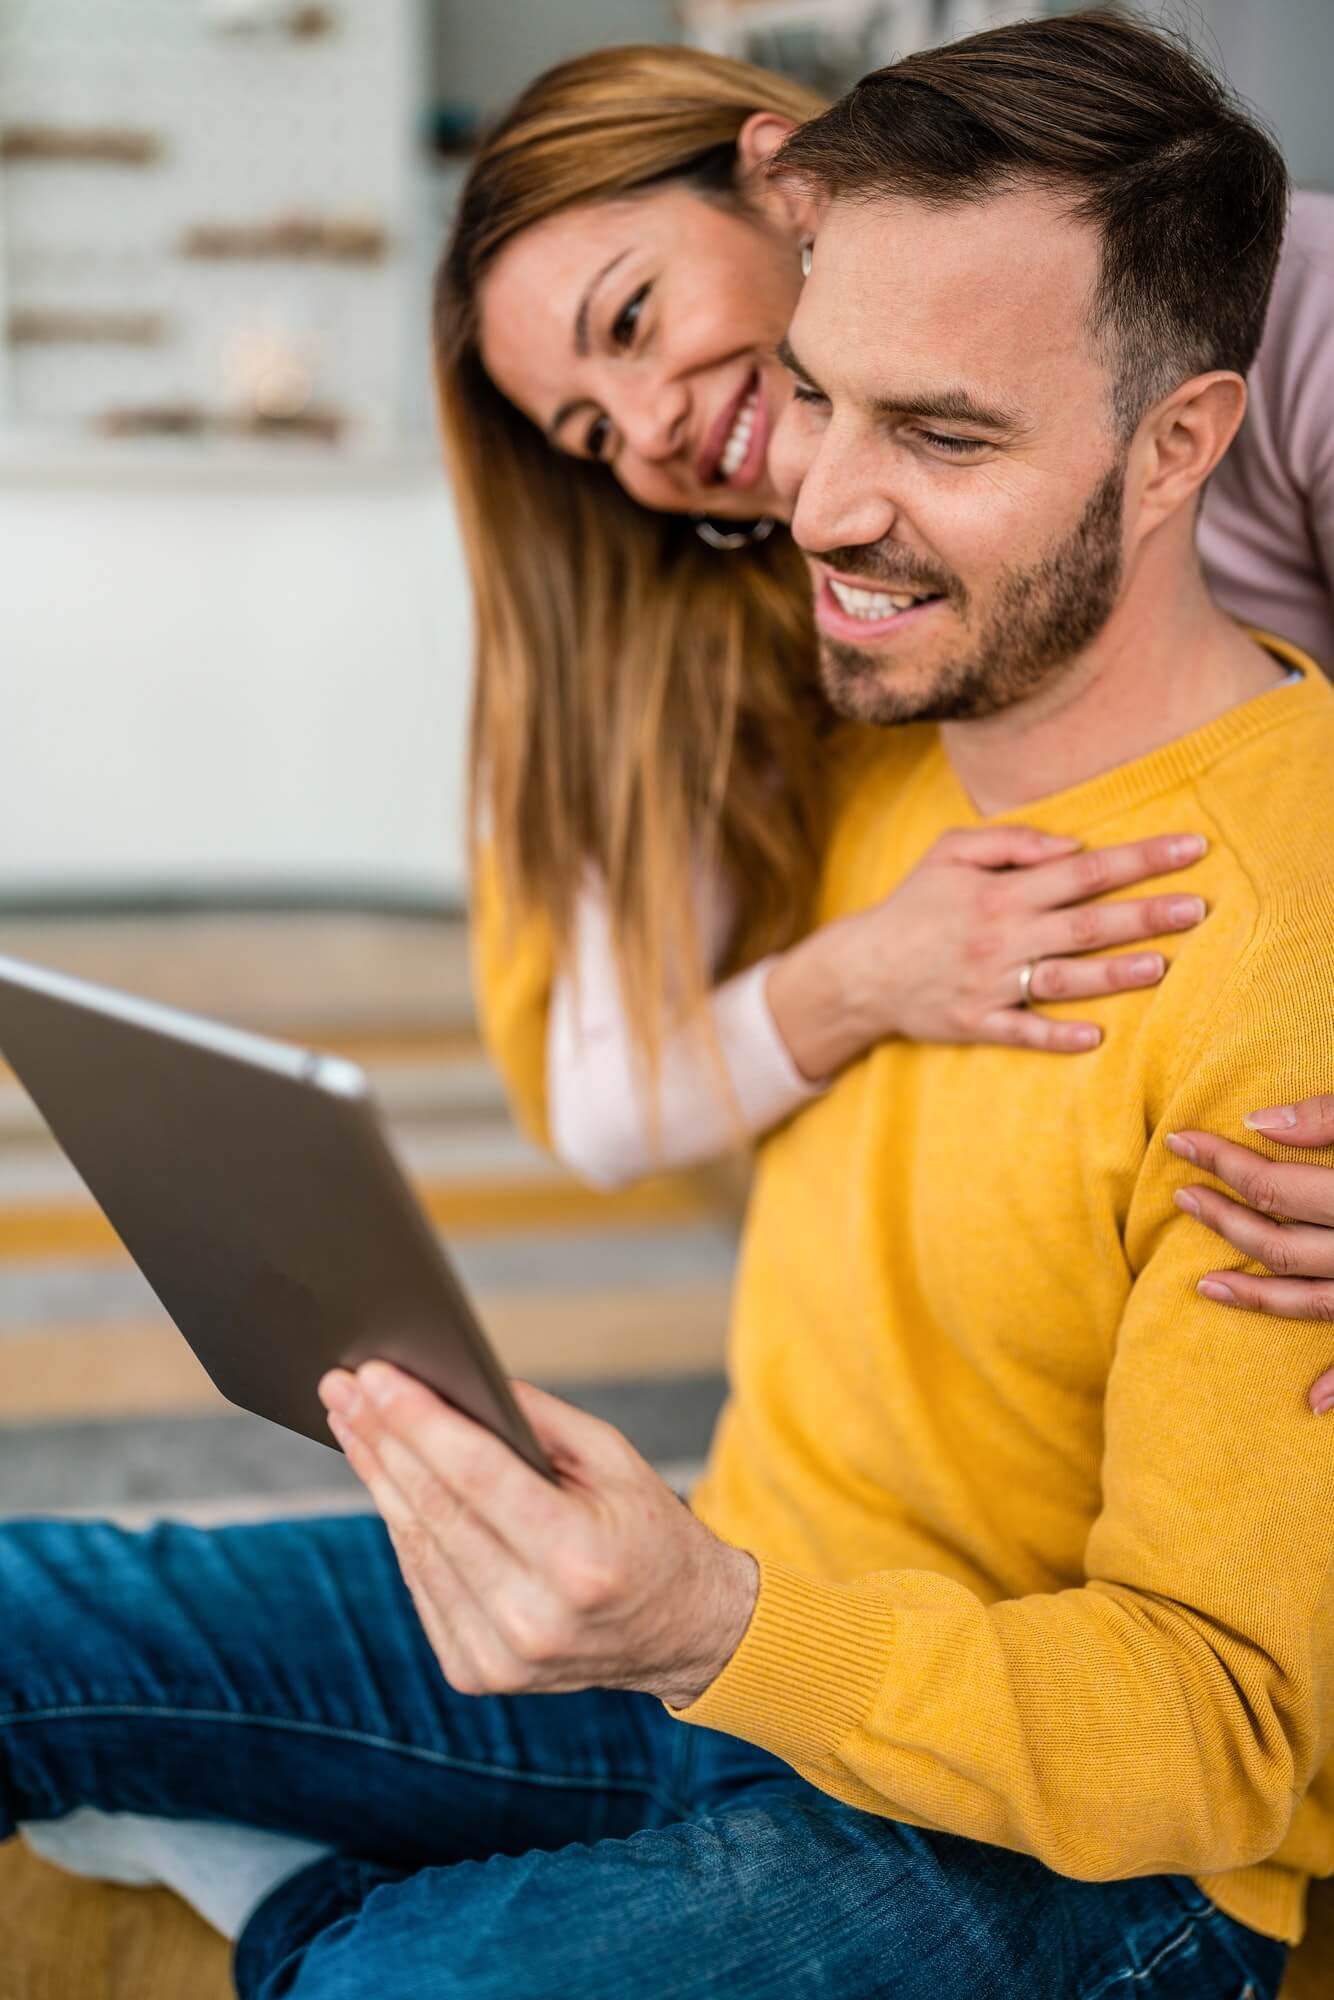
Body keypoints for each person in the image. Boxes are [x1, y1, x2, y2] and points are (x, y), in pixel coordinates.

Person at [4, 13, 1330, 1998]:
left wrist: (718, 1623)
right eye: (811, 395)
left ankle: (289, 1913)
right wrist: (710, 1611)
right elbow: (615, 1070)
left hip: (1090, 1839)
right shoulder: (854, 737)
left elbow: (1225, 1737)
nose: (807, 501)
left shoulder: (1274, 946)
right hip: (753, 1612)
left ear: (1176, 445)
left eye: (941, 431)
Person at [440, 44, 1333, 1194]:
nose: (645, 428)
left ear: (782, 185)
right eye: (591, 437)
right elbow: (602, 1101)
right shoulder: (717, 624)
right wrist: (864, 975)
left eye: (629, 321)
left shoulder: (1291, 307)